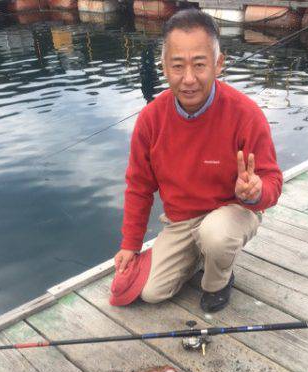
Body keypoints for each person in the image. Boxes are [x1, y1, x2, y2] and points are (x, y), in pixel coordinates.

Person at [112, 9, 282, 313]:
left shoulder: (246, 114)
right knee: (151, 293)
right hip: (181, 220)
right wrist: (130, 244)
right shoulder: (150, 120)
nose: (188, 79)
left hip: (232, 212)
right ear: (164, 67)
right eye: (178, 66)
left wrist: (256, 192)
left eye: (199, 65)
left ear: (218, 64)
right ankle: (194, 257)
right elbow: (138, 187)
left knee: (216, 235)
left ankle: (218, 280)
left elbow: (272, 182)